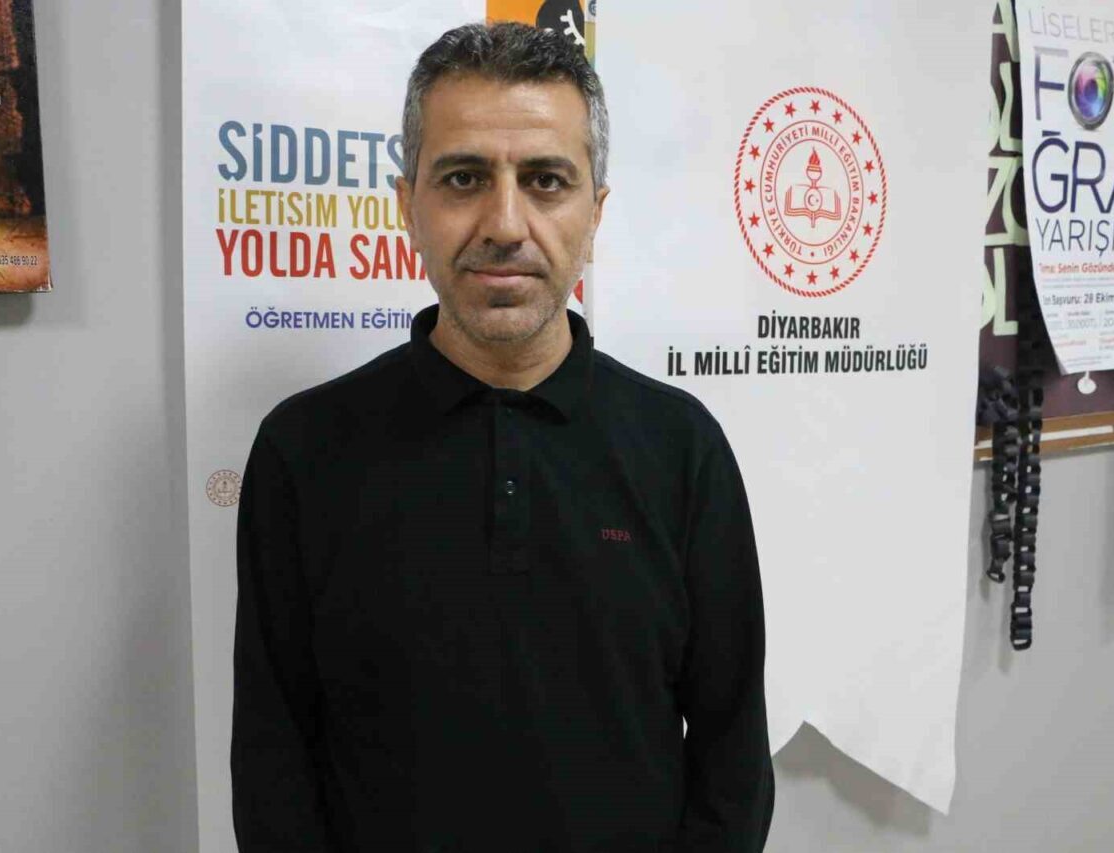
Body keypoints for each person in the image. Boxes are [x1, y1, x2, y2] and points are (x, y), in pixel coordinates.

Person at [232, 21, 774, 852]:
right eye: (464, 178)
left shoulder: (683, 450)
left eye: (546, 180)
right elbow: (274, 768)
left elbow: (732, 766)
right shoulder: (302, 452)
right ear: (407, 205)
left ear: (595, 214)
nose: (506, 223)